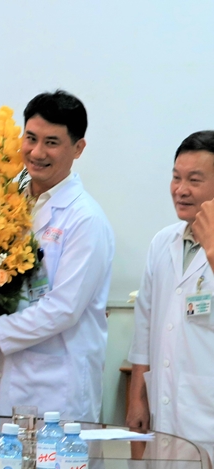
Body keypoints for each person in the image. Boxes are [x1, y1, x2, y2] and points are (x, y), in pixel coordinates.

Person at [0, 91, 114, 422]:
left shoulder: (85, 219)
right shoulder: (9, 204)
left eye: (52, 142)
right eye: (30, 138)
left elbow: (64, 309)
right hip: (10, 373)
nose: (36, 152)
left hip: (58, 384)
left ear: (78, 148)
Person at [127, 130, 214, 455]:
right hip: (164, 412)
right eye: (176, 177)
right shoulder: (163, 242)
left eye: (194, 179)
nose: (181, 189)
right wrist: (137, 398)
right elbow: (145, 325)